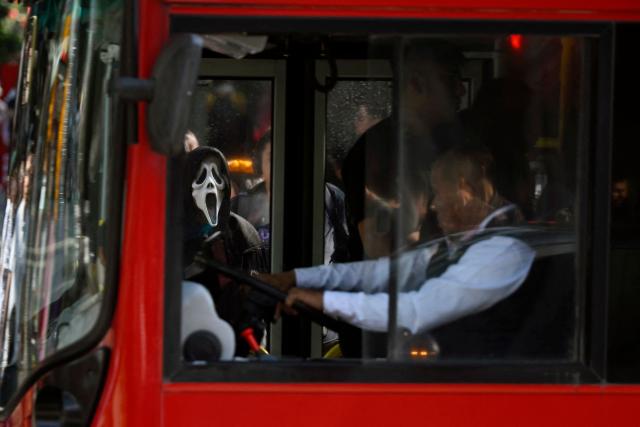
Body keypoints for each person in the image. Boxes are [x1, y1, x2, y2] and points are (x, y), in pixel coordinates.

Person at [257, 148, 534, 340]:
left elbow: (417, 310)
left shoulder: (501, 250)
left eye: (439, 192)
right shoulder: (470, 243)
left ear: (465, 189)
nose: (435, 205)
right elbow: (382, 273)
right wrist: (296, 278)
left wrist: (323, 300)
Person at [341, 40, 467, 261]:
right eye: (451, 79)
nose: (461, 89)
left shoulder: (450, 144)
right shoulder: (377, 152)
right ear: (417, 83)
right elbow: (381, 252)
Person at [182, 146, 268, 356]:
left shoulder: (243, 234)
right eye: (200, 178)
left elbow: (255, 295)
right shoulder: (171, 237)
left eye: (216, 176)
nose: (210, 185)